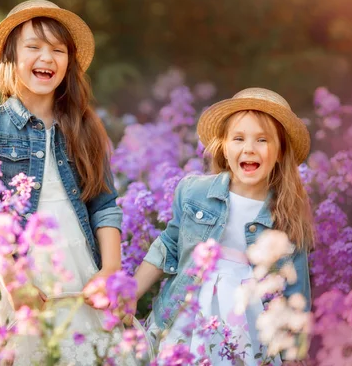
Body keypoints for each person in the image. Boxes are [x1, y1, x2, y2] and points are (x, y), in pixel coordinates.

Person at [0, 0, 135, 365]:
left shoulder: (85, 126)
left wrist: (111, 272)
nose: (47, 58)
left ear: (69, 61)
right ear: (11, 57)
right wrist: (14, 282)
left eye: (57, 49)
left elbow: (103, 204)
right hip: (16, 272)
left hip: (78, 266)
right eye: (34, 47)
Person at [133, 87, 315, 364]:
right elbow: (168, 246)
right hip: (189, 313)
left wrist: (293, 352)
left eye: (262, 140)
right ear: (224, 147)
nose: (249, 149)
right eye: (238, 138)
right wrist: (130, 294)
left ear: (280, 152)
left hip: (250, 324)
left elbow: (295, 289)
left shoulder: (285, 215)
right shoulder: (194, 191)